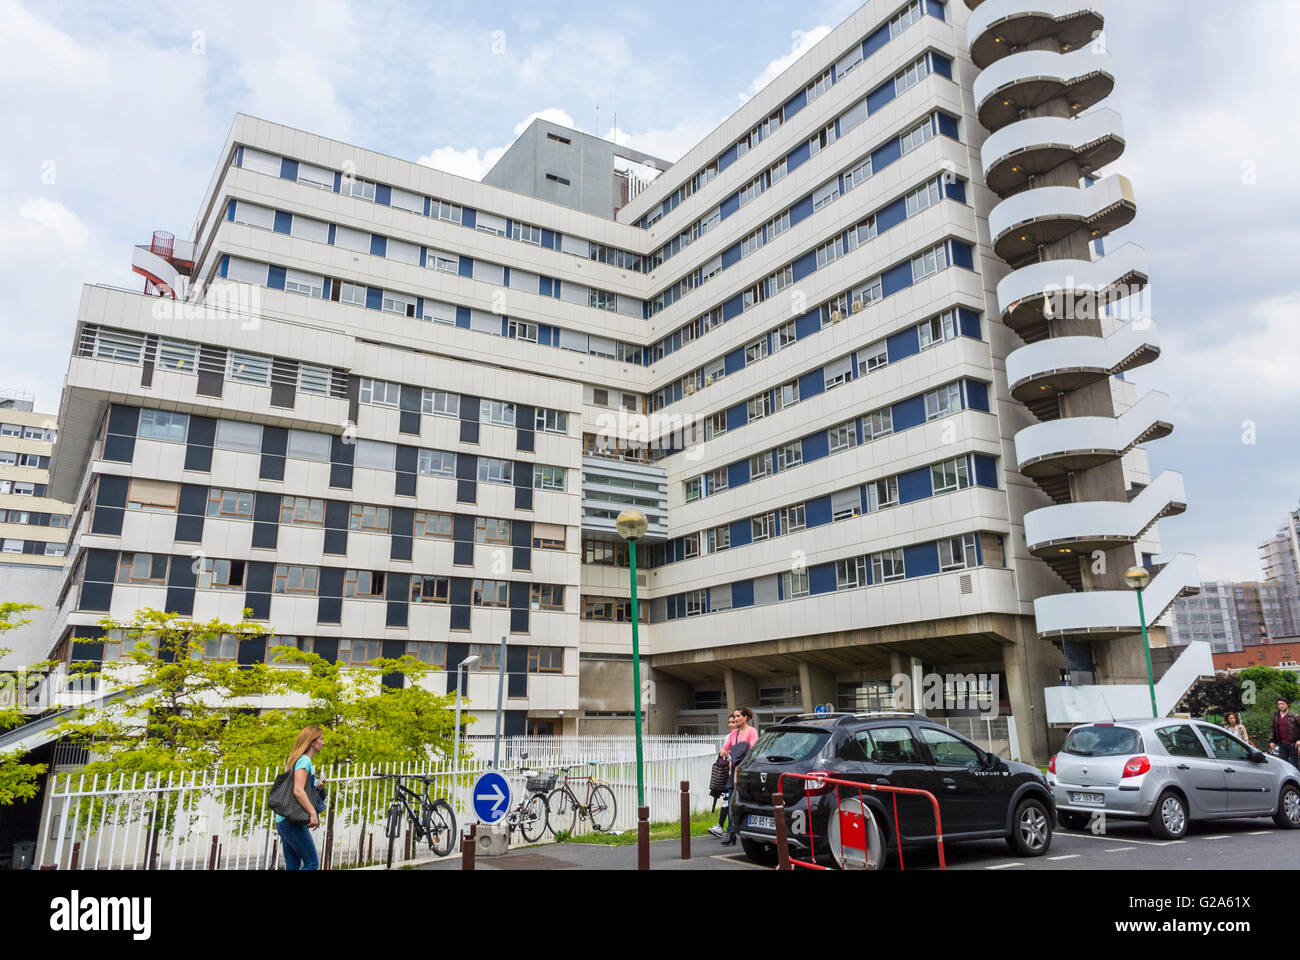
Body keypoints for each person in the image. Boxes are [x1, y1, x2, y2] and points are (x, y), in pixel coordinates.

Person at [276, 724, 326, 870]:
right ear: (312, 742)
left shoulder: (295, 759)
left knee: (293, 865)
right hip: (292, 823)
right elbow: (298, 791)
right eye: (321, 739)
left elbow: (298, 787)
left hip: (283, 820)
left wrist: (316, 787)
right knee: (312, 864)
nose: (323, 742)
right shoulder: (305, 761)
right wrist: (312, 813)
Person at [720, 707, 759, 846]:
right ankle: (731, 832)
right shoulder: (733, 734)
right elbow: (724, 748)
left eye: (738, 716)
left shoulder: (752, 732)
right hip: (733, 772)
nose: (735, 719)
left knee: (746, 802)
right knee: (732, 802)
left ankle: (747, 831)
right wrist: (724, 751)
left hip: (745, 772)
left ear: (745, 717)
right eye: (734, 716)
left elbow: (753, 750)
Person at [708, 715, 738, 839]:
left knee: (731, 800)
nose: (730, 724)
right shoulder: (728, 736)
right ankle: (723, 827)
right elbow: (723, 752)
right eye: (729, 722)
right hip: (727, 772)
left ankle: (730, 828)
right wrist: (724, 753)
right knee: (727, 799)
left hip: (737, 771)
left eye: (733, 722)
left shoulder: (743, 736)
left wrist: (729, 753)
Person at [1269, 699, 1300, 769]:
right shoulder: (1276, 716)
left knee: (1294, 765)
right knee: (1283, 764)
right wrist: (1272, 741)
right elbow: (1272, 728)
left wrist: (1299, 740)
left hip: (1293, 744)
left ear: (1287, 704)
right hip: (1282, 744)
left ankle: (1296, 779)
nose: (1281, 705)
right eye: (1279, 704)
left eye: (1282, 704)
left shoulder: (1295, 716)